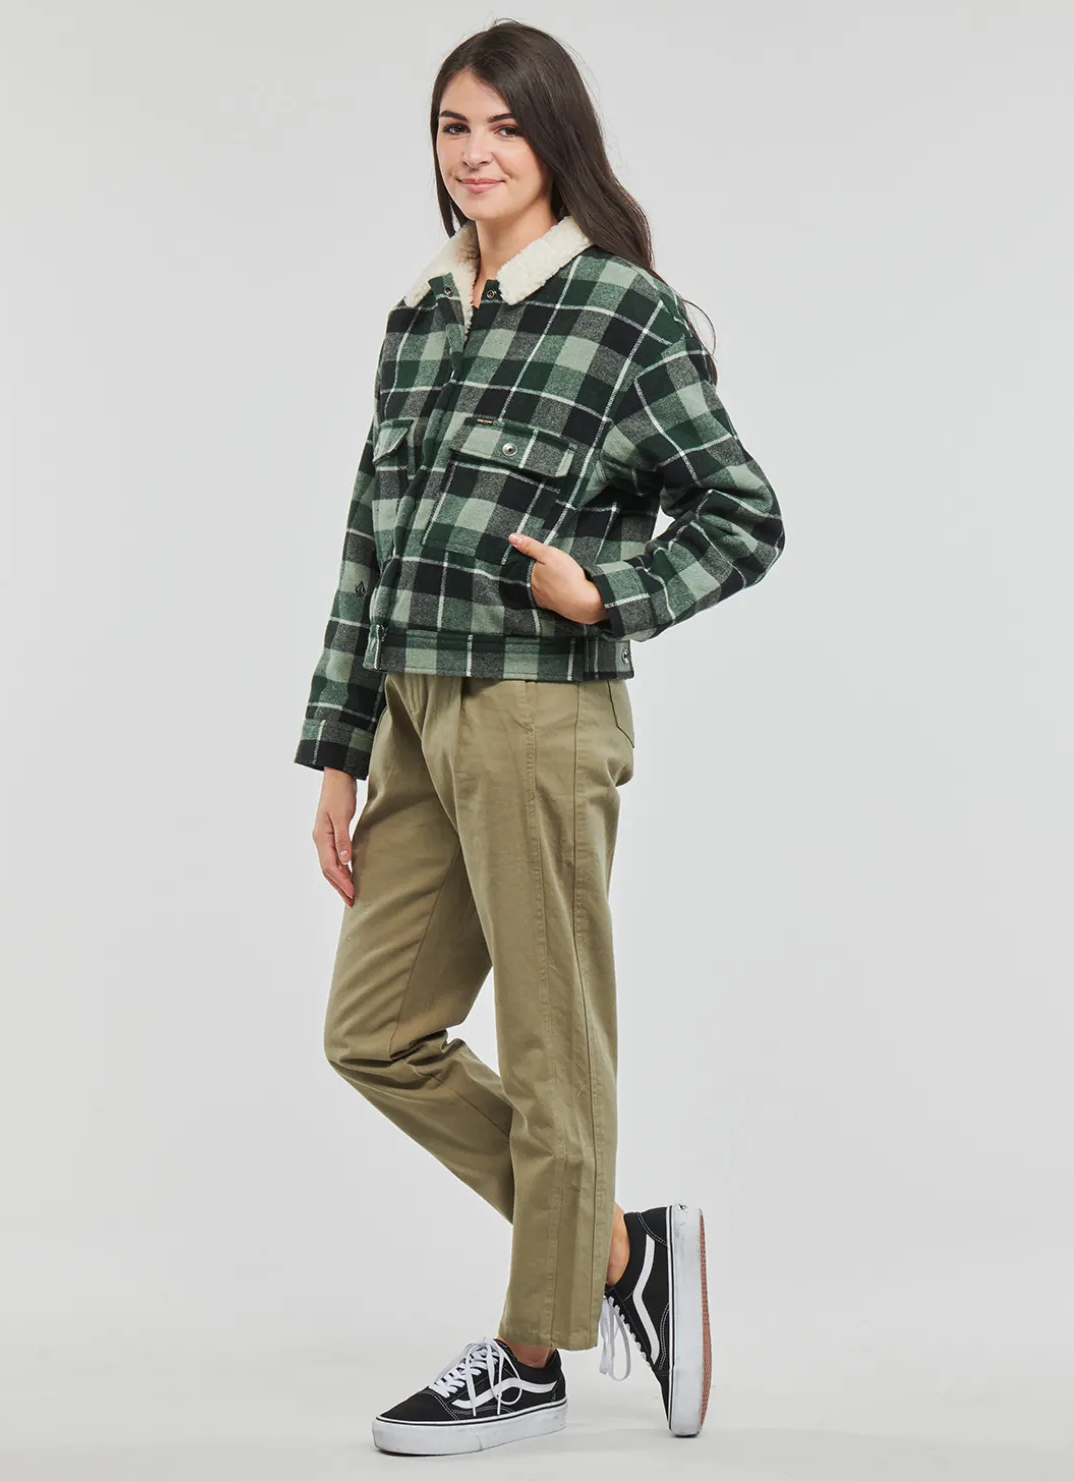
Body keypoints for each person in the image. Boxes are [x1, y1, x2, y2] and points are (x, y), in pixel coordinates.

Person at [293, 21, 785, 1457]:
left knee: (550, 1041)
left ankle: (531, 1352)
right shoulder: (419, 315)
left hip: (536, 709)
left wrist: (608, 591)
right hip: (413, 713)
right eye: (454, 127)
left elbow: (745, 514)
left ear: (554, 138)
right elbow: (369, 542)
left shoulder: (624, 313)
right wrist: (339, 747)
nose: (477, 152)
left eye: (505, 126)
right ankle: (624, 1254)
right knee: (372, 1033)